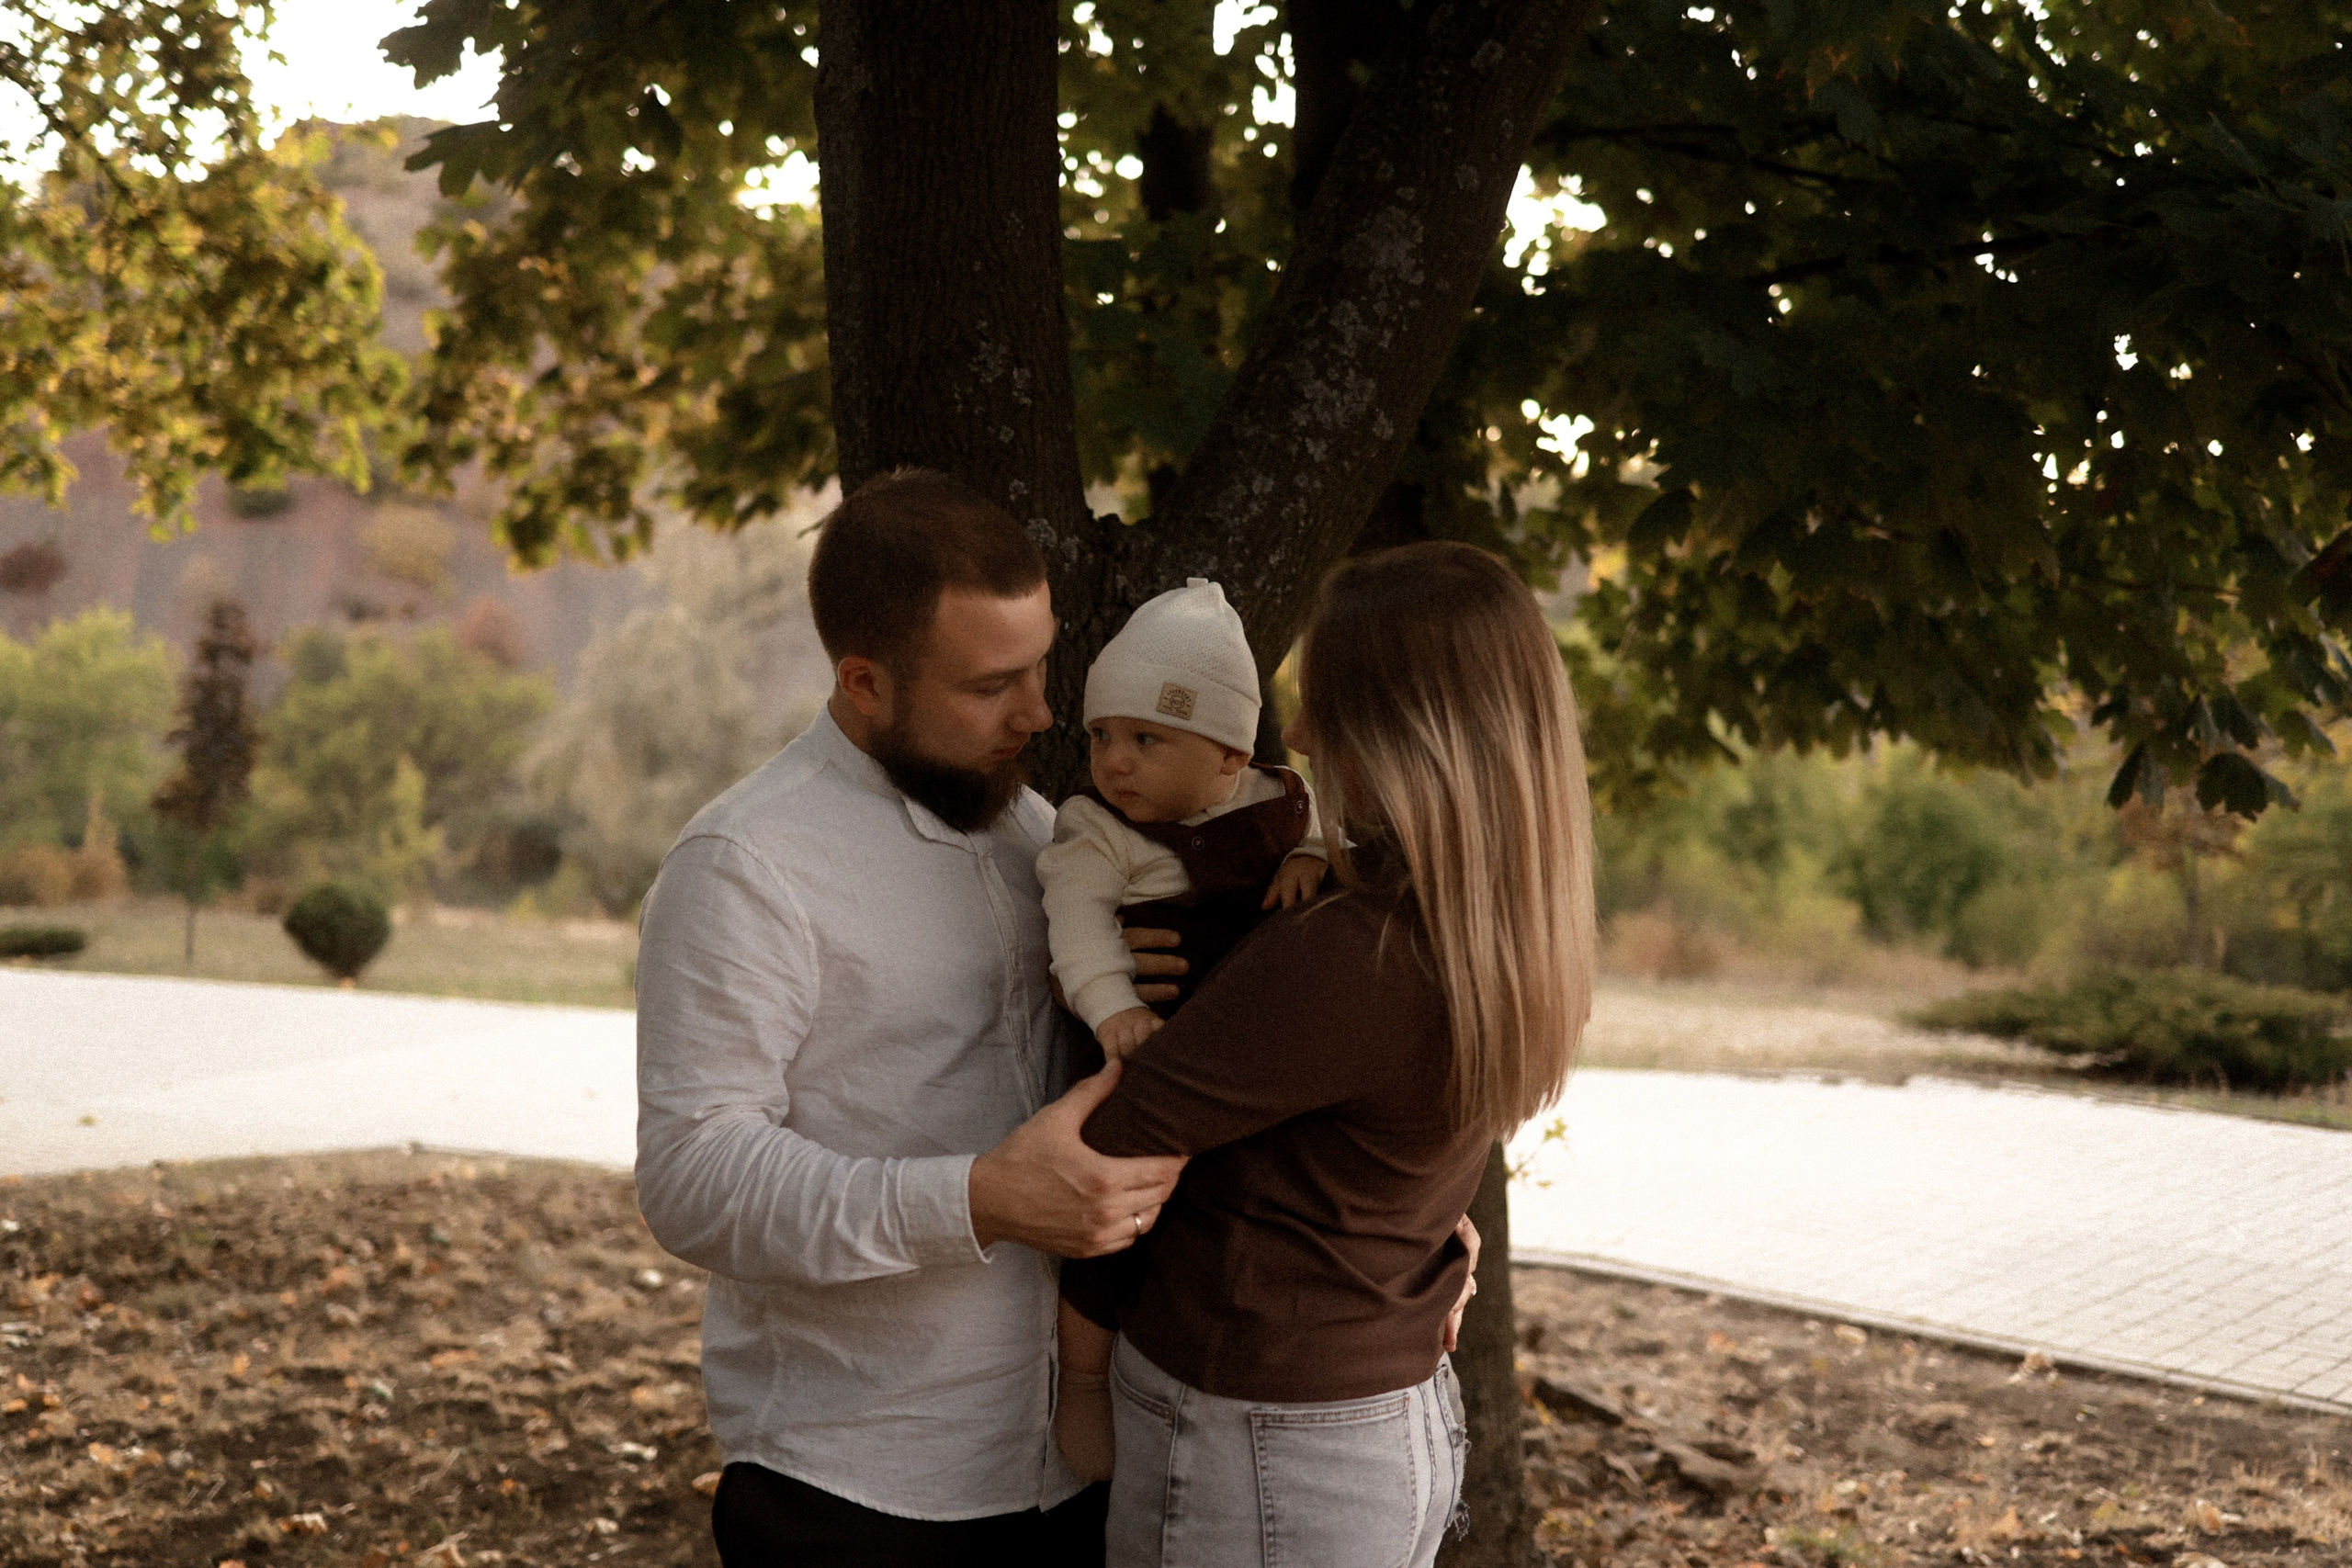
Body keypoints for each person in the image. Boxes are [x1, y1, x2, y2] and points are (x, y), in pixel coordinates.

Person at [632, 469, 1189, 1568]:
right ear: (864, 681)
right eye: (992, 685)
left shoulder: (1044, 838)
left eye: (1040, 664)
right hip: (855, 1493)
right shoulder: (745, 866)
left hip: (1076, 1473)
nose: (1038, 711)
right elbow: (692, 1178)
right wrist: (975, 1200)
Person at [1080, 541, 1599, 1568]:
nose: (1302, 734)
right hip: (1379, 1416)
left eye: (1328, 704)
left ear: (1414, 733)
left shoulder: (1349, 958)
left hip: (1262, 1440)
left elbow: (1102, 1151)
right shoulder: (1493, 933)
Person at [1035, 575, 1329, 1480]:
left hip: (1245, 1067)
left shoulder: (1282, 801)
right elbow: (1076, 923)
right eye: (1101, 737)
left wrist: (1313, 854)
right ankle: (1081, 1379)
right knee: (1111, 1226)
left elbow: (1334, 819)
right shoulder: (1093, 830)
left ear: (1229, 758)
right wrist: (1113, 1006)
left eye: (1146, 739)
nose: (1114, 761)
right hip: (1136, 1047)